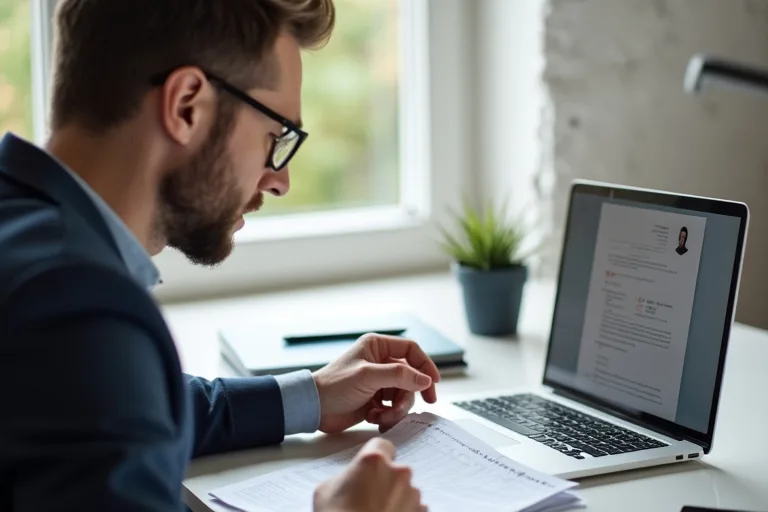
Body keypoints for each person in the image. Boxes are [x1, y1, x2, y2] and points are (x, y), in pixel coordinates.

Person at [0, 1, 437, 511]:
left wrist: (311, 396)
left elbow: (106, 408)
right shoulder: (80, 310)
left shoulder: (28, 244)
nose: (280, 180)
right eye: (275, 136)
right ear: (187, 104)